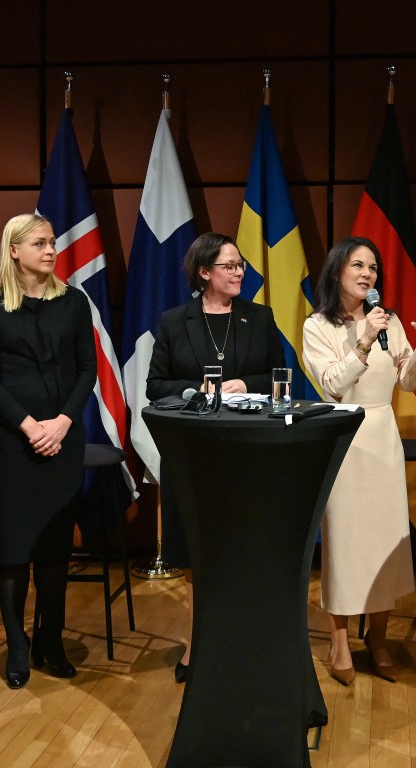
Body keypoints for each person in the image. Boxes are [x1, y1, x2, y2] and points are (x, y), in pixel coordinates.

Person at [302, 236, 416, 686]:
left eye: (373, 268)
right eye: (358, 266)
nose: (367, 275)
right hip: (344, 436)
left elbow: (406, 381)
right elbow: (333, 386)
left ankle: (378, 640)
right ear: (337, 272)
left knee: (384, 542)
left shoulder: (390, 321)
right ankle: (339, 640)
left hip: (383, 436)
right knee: (346, 543)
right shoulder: (317, 326)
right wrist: (362, 341)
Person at [145, 232, 284, 682]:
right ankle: (195, 643)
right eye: (229, 266)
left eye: (240, 265)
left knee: (243, 548)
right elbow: (155, 386)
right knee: (195, 550)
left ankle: (245, 642)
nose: (238, 272)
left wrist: (246, 385)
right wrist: (194, 391)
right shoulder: (173, 321)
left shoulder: (259, 317)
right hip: (192, 451)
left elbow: (278, 375)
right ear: (204, 272)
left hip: (247, 452)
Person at [0, 213, 96, 690]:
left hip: (63, 434)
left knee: (54, 546)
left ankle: (51, 639)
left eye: (52, 243)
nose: (50, 251)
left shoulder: (74, 302)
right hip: (12, 439)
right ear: (14, 250)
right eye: (40, 243)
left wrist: (62, 422)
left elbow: (87, 369)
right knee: (13, 544)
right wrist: (27, 426)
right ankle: (18, 644)